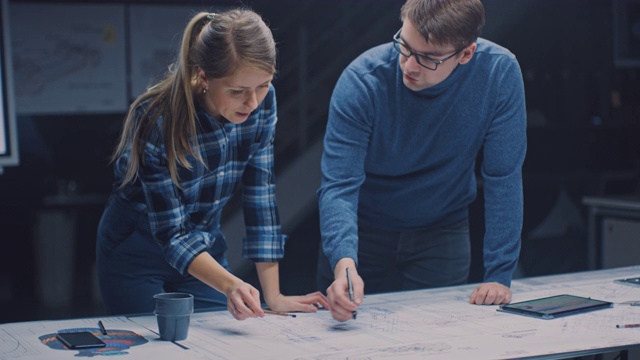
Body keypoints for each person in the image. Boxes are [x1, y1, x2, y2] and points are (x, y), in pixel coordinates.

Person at [97, 9, 328, 319]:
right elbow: (171, 233)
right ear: (203, 77)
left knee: (229, 340)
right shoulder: (156, 119)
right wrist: (232, 285)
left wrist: (274, 295)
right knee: (155, 345)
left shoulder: (263, 101)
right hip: (137, 250)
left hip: (203, 250)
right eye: (237, 91)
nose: (253, 103)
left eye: (263, 85)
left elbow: (260, 196)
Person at [317, 0, 527, 322]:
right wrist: (344, 263)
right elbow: (339, 185)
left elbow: (504, 177)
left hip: (442, 232)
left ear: (466, 54)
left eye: (428, 58)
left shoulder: (498, 73)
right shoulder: (363, 80)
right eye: (404, 45)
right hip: (362, 233)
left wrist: (499, 274)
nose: (409, 65)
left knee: (437, 340)